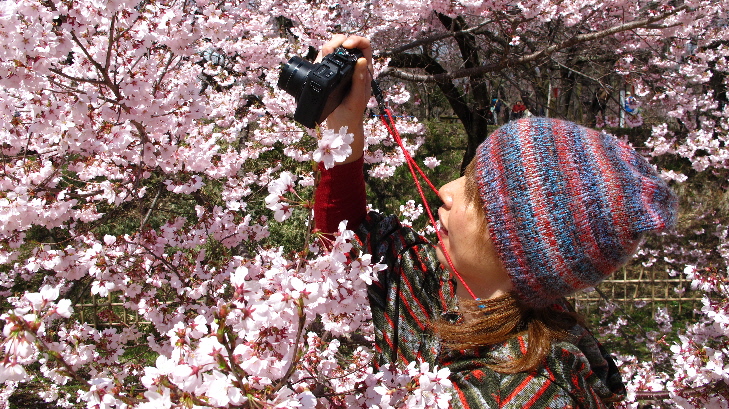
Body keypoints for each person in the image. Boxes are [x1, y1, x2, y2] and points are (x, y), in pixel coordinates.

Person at [312, 35, 677, 408]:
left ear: (522, 250)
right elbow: (343, 244)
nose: (445, 190)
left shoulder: (531, 394)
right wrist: (344, 122)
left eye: (475, 195)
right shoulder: (440, 286)